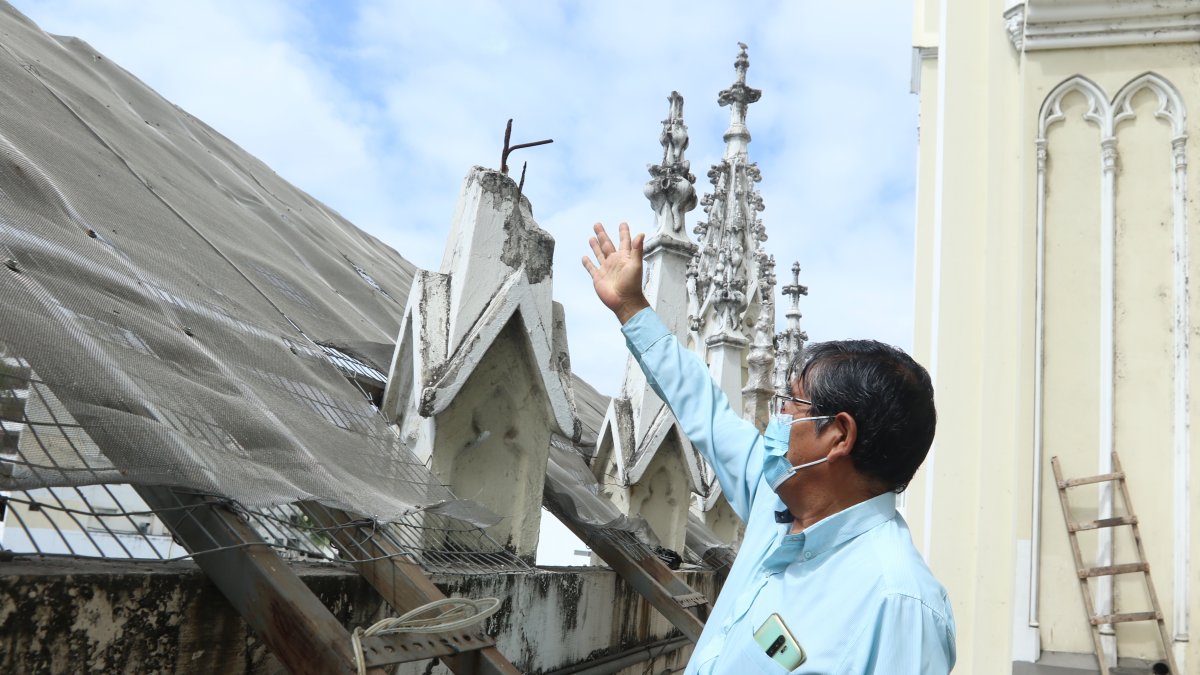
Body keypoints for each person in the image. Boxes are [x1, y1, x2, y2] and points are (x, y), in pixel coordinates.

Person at [582, 222, 955, 674]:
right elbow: (704, 407)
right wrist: (632, 307)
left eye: (791, 405)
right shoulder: (774, 501)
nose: (776, 422)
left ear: (839, 435)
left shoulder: (897, 603)